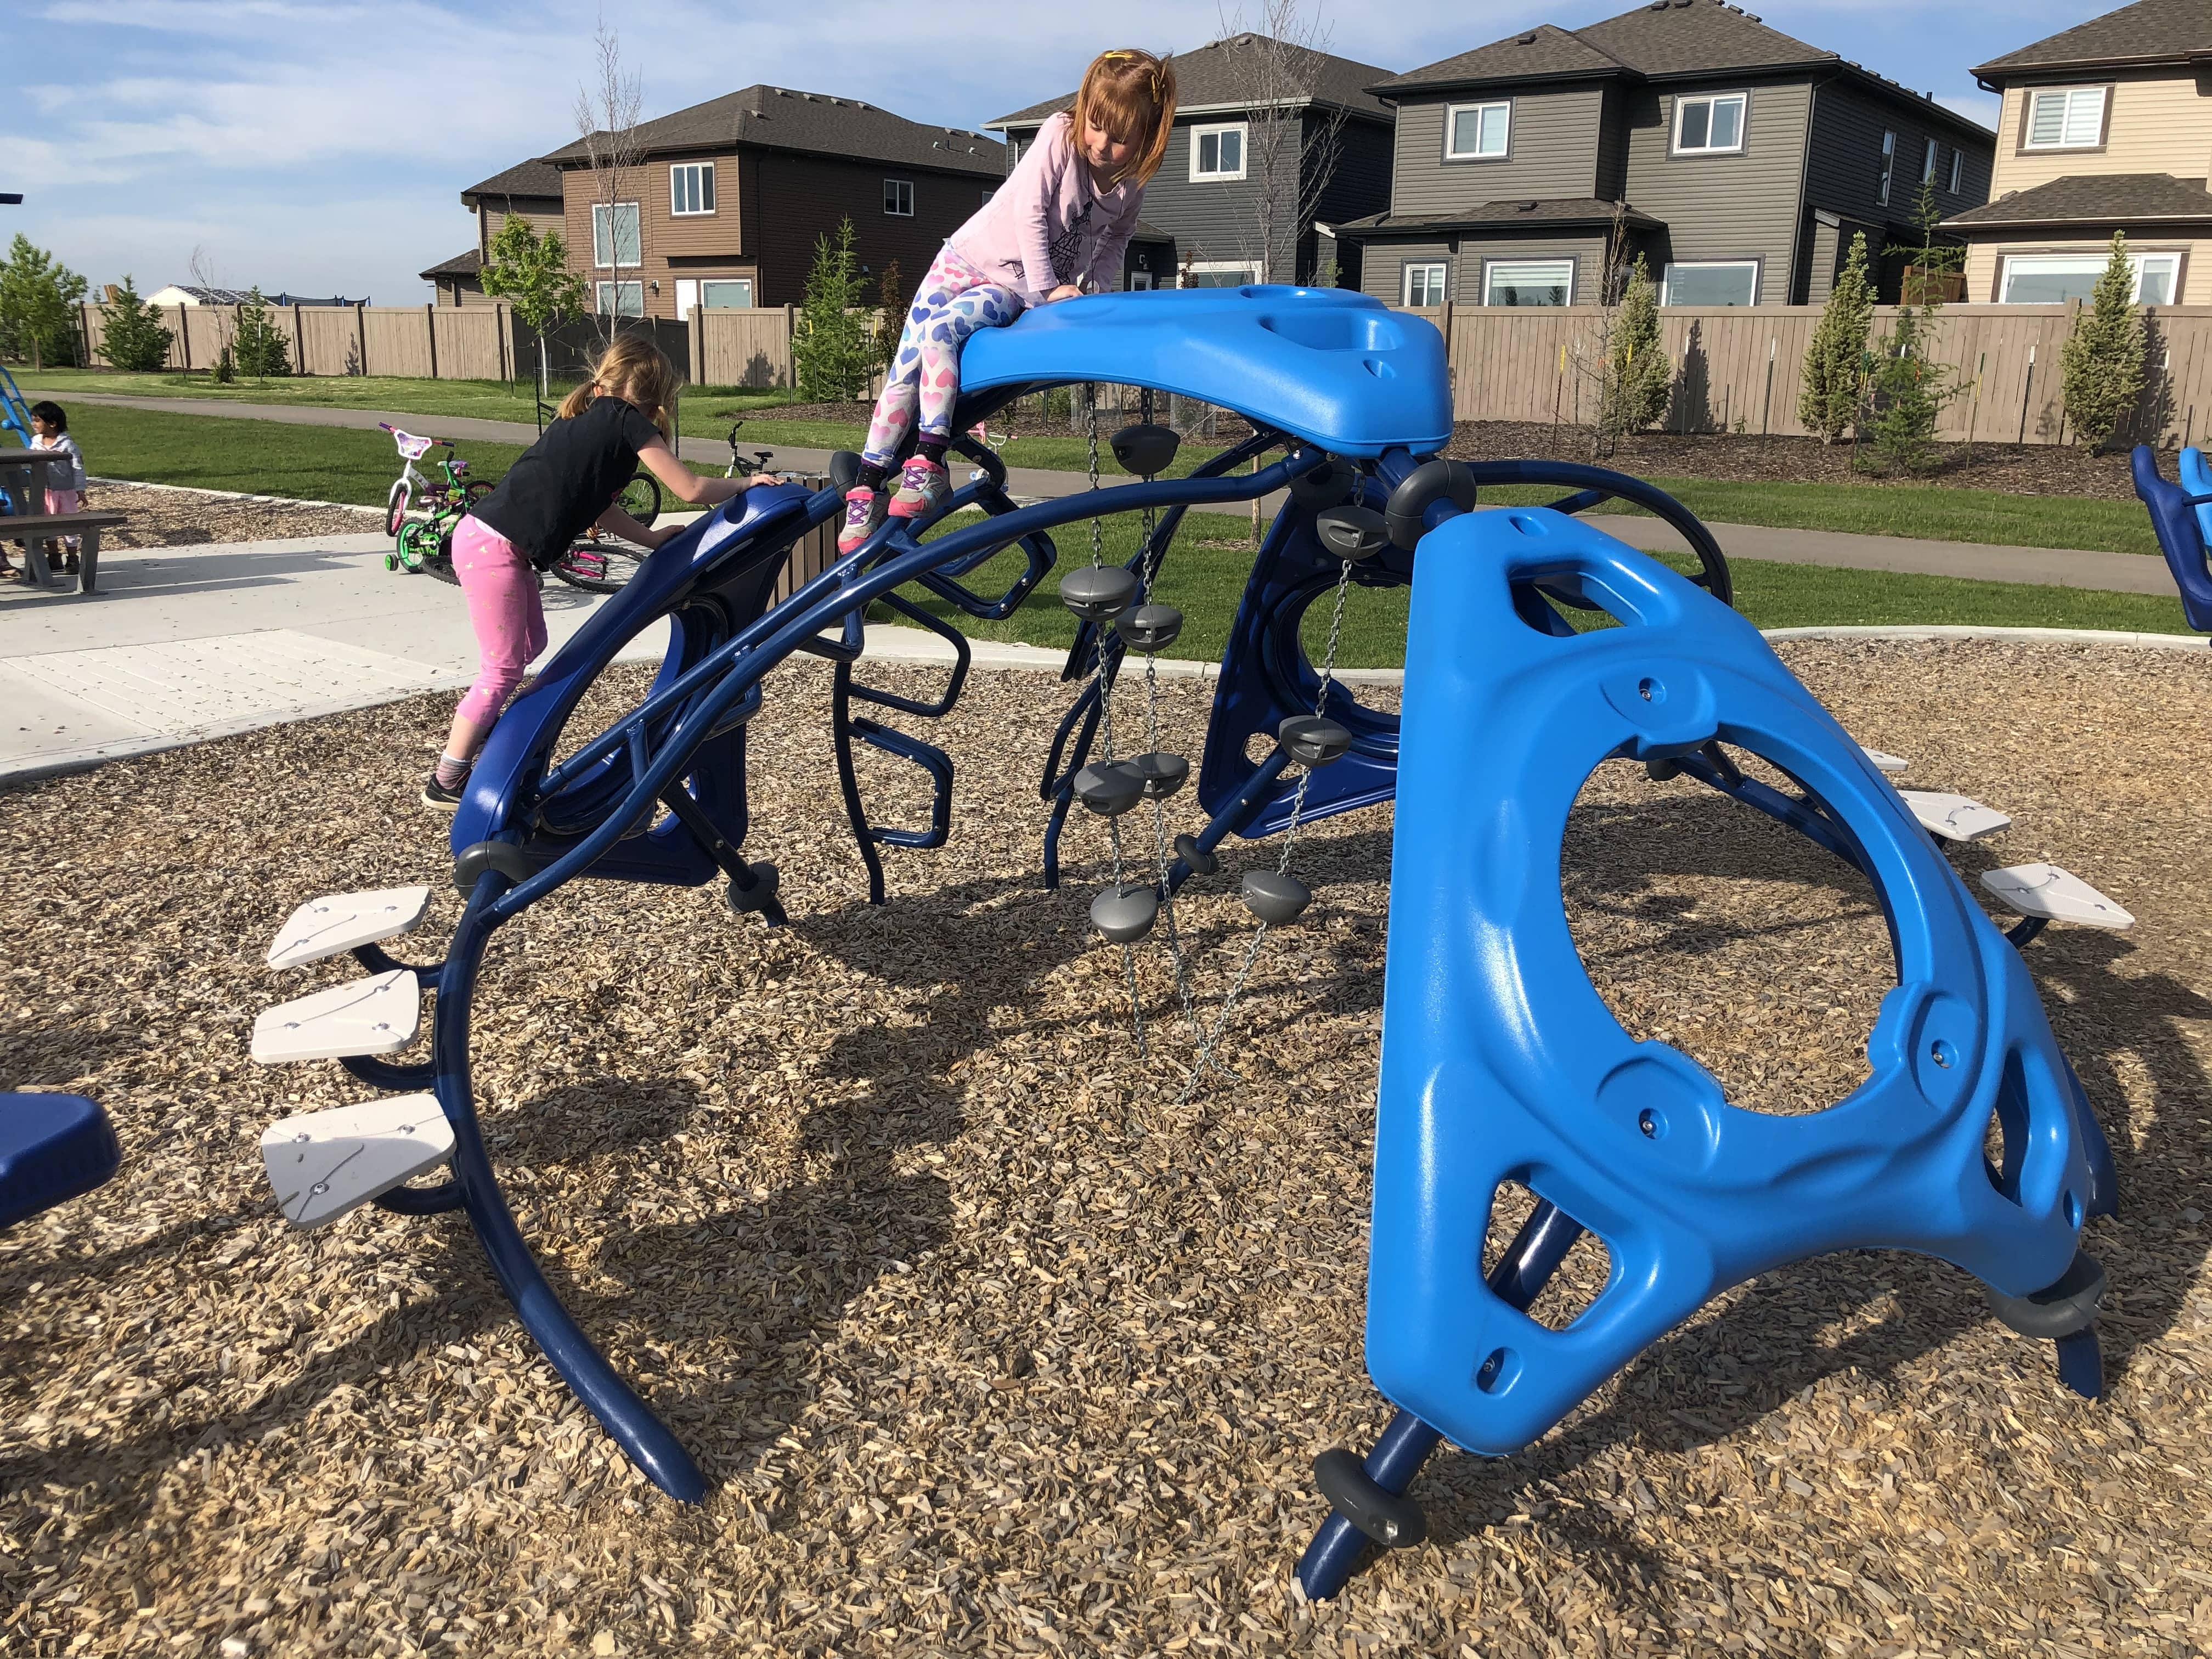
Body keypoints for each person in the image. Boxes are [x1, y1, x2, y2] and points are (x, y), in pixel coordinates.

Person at [421, 334, 784, 810]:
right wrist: (746, 482)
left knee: (532, 647)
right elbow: (690, 488)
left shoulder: (586, 422)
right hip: (493, 545)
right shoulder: (629, 423)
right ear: (658, 397)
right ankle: (447, 779)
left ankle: (496, 736)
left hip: (487, 539)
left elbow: (602, 510)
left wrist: (653, 540)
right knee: (503, 668)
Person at [838, 47, 1176, 554]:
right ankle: (867, 486)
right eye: (1096, 125)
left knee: (941, 333)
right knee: (905, 365)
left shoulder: (1129, 191)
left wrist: (1093, 300)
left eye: (1120, 137)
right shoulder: (1060, 136)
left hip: (1008, 288)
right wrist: (1049, 290)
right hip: (965, 258)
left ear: (1147, 139)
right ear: (1084, 110)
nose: (1102, 144)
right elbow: (1031, 214)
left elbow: (1114, 247)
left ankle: (928, 462)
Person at [16, 401, 87, 579]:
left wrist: (80, 489)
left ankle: (72, 558)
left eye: (37, 421)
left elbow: (78, 467)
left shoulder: (67, 444)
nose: (34, 424)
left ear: (52, 424)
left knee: (68, 523)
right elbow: (30, 463)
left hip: (66, 491)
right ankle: (54, 556)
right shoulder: (36, 443)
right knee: (46, 522)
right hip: (44, 491)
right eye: (33, 420)